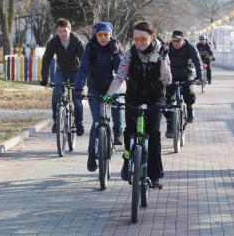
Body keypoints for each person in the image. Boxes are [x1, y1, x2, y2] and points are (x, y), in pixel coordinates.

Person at [103, 21, 172, 189]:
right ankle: (127, 162)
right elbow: (119, 76)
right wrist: (107, 96)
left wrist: (163, 60)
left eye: (143, 39)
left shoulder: (160, 52)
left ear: (152, 37)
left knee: (154, 134)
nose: (139, 42)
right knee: (129, 132)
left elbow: (167, 80)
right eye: (136, 39)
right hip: (133, 97)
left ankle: (156, 175)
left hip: (155, 98)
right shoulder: (130, 53)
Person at [74, 22, 123, 172]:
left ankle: (117, 131)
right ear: (96, 35)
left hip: (109, 89)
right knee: (97, 122)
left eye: (106, 35)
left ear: (110, 35)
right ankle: (91, 154)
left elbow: (120, 70)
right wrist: (78, 88)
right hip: (94, 88)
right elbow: (83, 69)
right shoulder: (90, 48)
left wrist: (116, 54)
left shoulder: (114, 48)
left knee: (115, 102)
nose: (103, 38)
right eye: (100, 34)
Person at [40, 18, 85, 135]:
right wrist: (45, 78)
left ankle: (79, 123)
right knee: (56, 95)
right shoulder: (53, 42)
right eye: (59, 31)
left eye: (64, 31)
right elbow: (46, 60)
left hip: (76, 70)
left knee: (77, 97)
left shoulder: (77, 41)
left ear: (70, 30)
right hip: (61, 71)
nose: (62, 34)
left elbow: (84, 60)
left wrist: (84, 79)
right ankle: (56, 122)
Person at [164, 30, 203, 138]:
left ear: (183, 39)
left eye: (178, 40)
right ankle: (170, 125)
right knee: (165, 101)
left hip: (186, 74)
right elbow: (159, 60)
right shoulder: (167, 46)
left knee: (189, 94)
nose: (176, 43)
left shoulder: (190, 47)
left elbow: (197, 61)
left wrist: (200, 77)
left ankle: (189, 108)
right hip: (170, 76)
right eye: (174, 40)